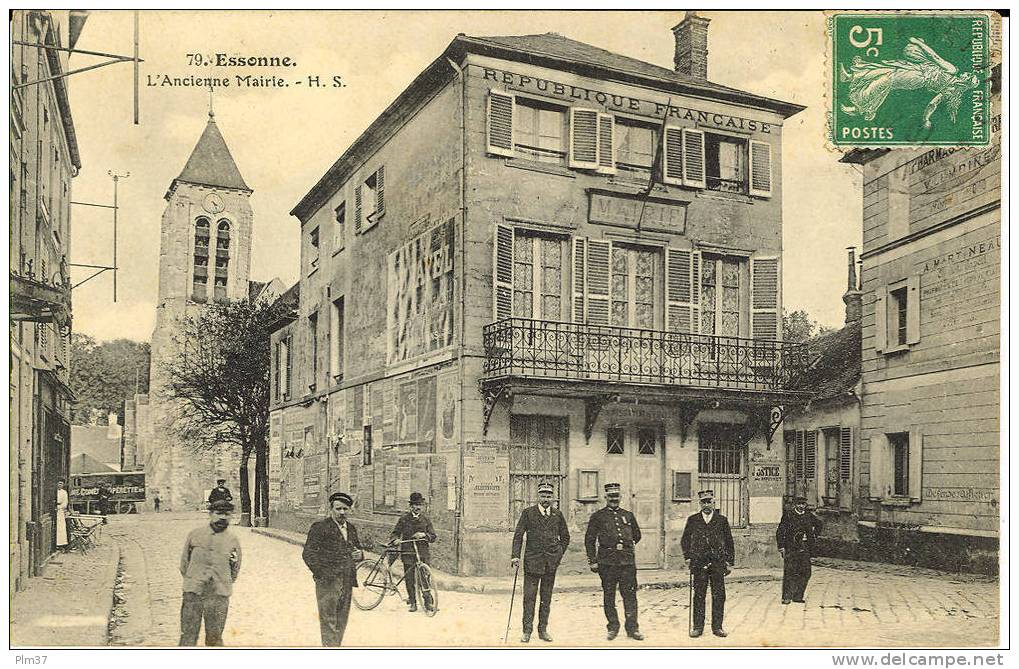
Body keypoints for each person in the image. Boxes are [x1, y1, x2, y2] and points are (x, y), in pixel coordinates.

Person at [584, 482, 644, 641]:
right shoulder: (598, 516)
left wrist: (625, 547)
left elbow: (637, 535)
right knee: (609, 596)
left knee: (630, 596)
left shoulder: (628, 515)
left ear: (620, 497)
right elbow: (589, 540)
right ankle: (612, 627)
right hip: (607, 563)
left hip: (627, 563)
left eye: (616, 496)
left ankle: (632, 628)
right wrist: (593, 560)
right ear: (605, 497)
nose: (614, 499)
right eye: (610, 496)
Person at [511, 481, 569, 643]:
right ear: (538, 496)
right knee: (529, 598)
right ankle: (527, 631)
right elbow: (518, 535)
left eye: (549, 496)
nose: (546, 499)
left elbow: (565, 538)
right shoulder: (528, 513)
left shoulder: (557, 515)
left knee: (546, 597)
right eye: (543, 495)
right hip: (532, 562)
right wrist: (515, 555)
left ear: (553, 498)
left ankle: (543, 630)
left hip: (550, 564)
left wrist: (558, 554)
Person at [303, 491, 363, 646]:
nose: (342, 512)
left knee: (342, 619)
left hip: (347, 579)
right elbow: (308, 554)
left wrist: (359, 554)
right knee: (328, 619)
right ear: (331, 509)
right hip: (328, 582)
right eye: (338, 509)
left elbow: (357, 550)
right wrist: (322, 574)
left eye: (345, 509)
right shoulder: (320, 527)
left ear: (350, 510)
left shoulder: (351, 528)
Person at [178, 499, 242, 646]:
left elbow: (235, 568)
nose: (223, 517)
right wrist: (194, 580)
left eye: (227, 514)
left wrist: (221, 582)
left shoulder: (233, 540)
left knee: (215, 638)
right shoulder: (195, 535)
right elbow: (184, 563)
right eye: (219, 513)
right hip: (193, 593)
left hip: (218, 596)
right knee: (188, 635)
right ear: (210, 514)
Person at [681, 489, 735, 638]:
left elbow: (729, 542)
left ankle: (717, 627)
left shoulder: (722, 520)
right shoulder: (693, 520)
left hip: (717, 563)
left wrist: (729, 562)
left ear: (714, 502)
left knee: (719, 595)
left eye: (709, 501)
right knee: (699, 595)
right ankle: (698, 627)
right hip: (699, 563)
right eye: (703, 502)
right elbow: (685, 539)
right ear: (700, 503)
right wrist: (688, 557)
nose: (706, 504)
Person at [389, 492, 437, 613]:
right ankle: (413, 602)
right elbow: (395, 533)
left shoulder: (426, 520)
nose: (418, 507)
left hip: (422, 553)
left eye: (420, 504)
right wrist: (395, 540)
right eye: (415, 504)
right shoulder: (404, 519)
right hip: (408, 552)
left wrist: (424, 534)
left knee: (424, 577)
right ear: (411, 506)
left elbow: (433, 536)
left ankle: (428, 603)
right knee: (409, 579)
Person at [777, 496, 824, 604]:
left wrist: (814, 536)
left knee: (806, 572)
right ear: (795, 505)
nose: (801, 506)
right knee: (790, 572)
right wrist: (781, 546)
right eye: (799, 504)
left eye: (803, 504)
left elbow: (819, 524)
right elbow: (780, 531)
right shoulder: (788, 515)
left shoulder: (808, 515)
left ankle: (798, 596)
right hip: (791, 547)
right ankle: (786, 597)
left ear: (805, 505)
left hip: (805, 547)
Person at [56, 479, 69, 552]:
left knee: (61, 528)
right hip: (54, 510)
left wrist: (59, 507)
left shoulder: (64, 492)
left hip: (60, 511)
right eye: (59, 483)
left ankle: (61, 544)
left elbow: (65, 503)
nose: (60, 485)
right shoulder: (54, 492)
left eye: (61, 484)